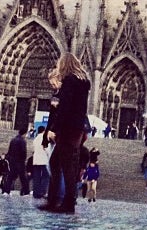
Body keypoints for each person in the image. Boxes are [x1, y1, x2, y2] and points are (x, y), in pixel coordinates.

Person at [39, 52, 91, 214]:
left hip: (67, 129)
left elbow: (65, 108)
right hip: (76, 128)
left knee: (67, 168)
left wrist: (54, 129)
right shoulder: (84, 82)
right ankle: (53, 201)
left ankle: (68, 204)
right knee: (56, 163)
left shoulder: (69, 81)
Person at [4, 129, 29, 196]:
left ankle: (6, 191)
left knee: (10, 177)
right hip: (20, 162)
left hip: (12, 161)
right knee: (23, 177)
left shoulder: (13, 140)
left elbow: (9, 150)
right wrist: (24, 159)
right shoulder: (22, 141)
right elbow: (24, 151)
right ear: (24, 134)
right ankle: (26, 192)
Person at [32, 126, 52, 198]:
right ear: (44, 131)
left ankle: (36, 192)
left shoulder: (35, 139)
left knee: (36, 177)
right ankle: (42, 192)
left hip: (36, 160)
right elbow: (47, 149)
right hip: (43, 160)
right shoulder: (45, 138)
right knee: (45, 176)